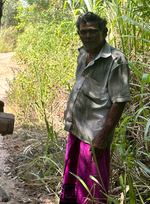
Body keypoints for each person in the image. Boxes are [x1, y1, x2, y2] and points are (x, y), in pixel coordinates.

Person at [60, 12, 131, 204]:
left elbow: (119, 100)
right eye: (83, 32)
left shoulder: (116, 60)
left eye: (92, 31)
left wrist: (103, 136)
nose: (87, 36)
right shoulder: (83, 54)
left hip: (94, 135)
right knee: (72, 180)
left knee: (92, 188)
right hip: (76, 129)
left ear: (104, 32)